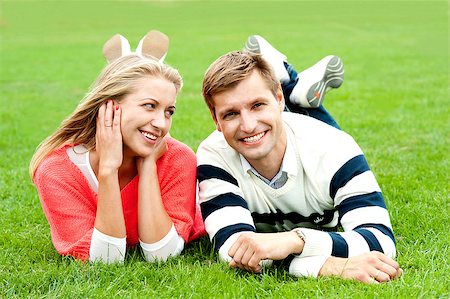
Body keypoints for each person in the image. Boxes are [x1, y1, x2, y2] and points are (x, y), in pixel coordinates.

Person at [197, 35, 402, 283]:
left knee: (307, 138)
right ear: (215, 119)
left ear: (278, 99)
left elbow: (380, 240)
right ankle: (290, 79)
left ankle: (288, 79)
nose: (248, 125)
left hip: (309, 138)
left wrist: (295, 240)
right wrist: (331, 266)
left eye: (258, 105)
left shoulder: (334, 147)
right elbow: (234, 250)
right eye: (230, 114)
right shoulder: (213, 155)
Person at [29, 31, 205, 263]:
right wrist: (108, 169)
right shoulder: (56, 171)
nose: (162, 123)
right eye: (149, 105)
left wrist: (149, 165)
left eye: (168, 111)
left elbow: (162, 255)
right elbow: (106, 259)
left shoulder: (179, 157)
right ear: (109, 107)